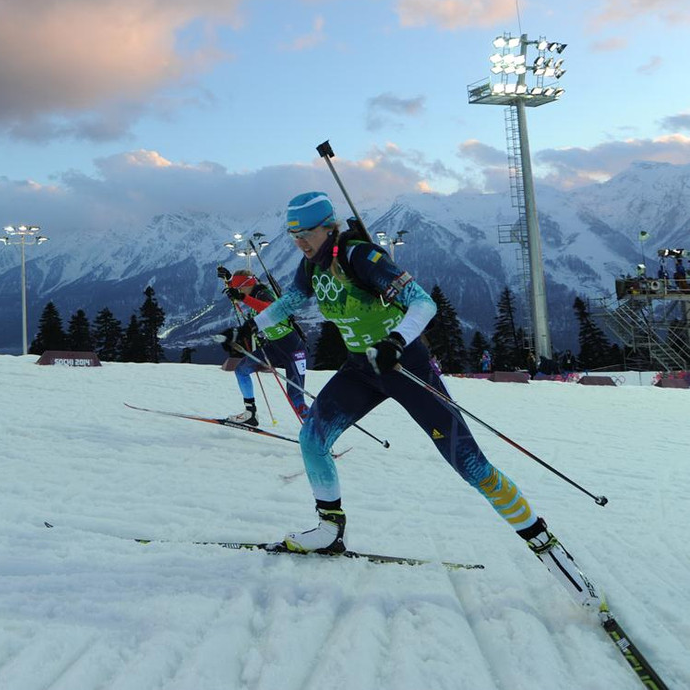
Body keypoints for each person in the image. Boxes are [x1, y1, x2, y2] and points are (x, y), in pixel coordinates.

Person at [228, 190, 597, 608]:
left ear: (329, 227)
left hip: (404, 367)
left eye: (305, 233)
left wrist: (397, 341)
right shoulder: (311, 265)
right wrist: (252, 327)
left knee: (470, 465)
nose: (299, 242)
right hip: (361, 368)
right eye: (292, 235)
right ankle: (329, 529)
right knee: (312, 437)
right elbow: (291, 302)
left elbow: (422, 302)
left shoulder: (362, 257)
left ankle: (550, 552)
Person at [217, 267, 308, 425]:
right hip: (275, 348)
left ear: (247, 285)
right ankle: (250, 413)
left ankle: (317, 431)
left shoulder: (263, 294)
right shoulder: (251, 291)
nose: (238, 292)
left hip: (293, 349)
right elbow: (239, 288)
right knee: (241, 369)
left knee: (295, 397)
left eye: (240, 288)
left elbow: (270, 310)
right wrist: (228, 280)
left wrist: (242, 297)